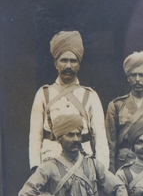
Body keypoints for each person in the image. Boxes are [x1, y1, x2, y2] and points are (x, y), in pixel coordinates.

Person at [29, 30, 109, 171]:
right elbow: (35, 135)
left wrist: (101, 171)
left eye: (73, 61)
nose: (68, 66)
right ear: (56, 63)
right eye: (63, 60)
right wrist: (36, 167)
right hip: (51, 162)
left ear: (78, 65)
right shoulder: (43, 93)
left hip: (82, 161)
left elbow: (100, 137)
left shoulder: (90, 95)